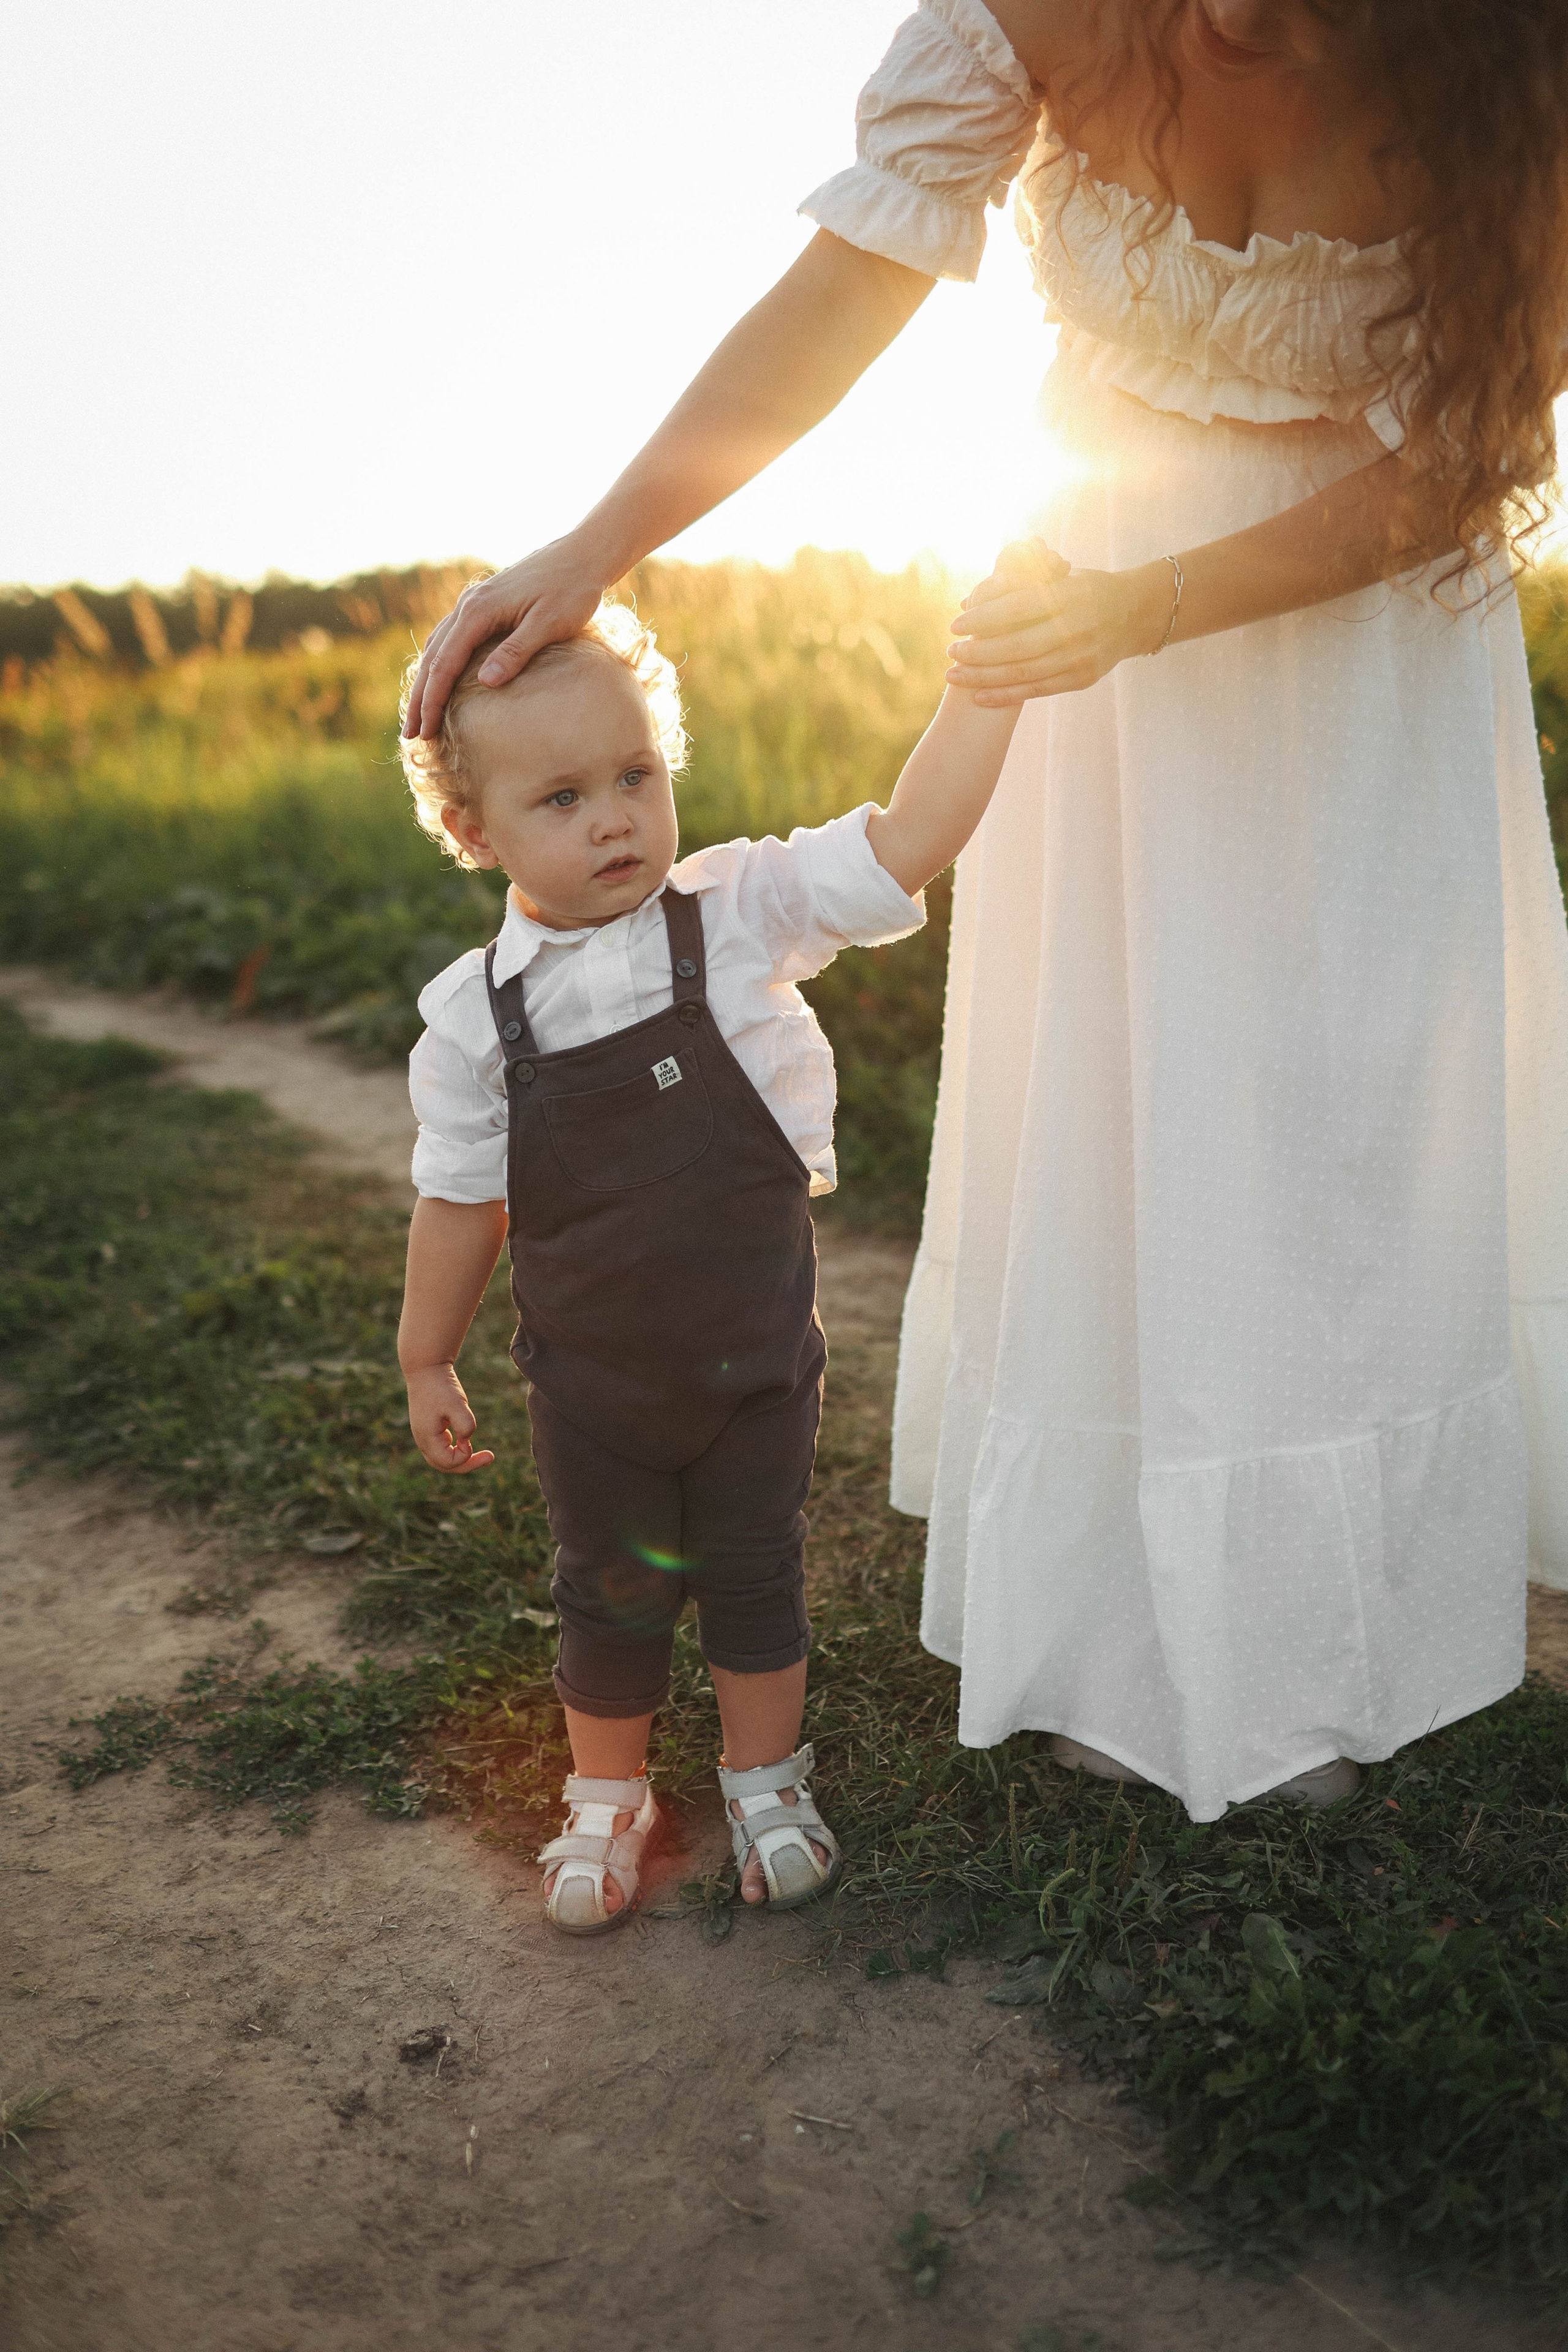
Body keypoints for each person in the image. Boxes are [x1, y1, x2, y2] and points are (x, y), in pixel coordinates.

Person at [403, 0, 1568, 1822]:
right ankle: (1124, 1618)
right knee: (1124, 1108)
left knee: (1329, 1125)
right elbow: (847, 291)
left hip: (1347, 642)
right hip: (1082, 627)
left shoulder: (1523, 65)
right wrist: (598, 543)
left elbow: (1467, 462)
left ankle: (1329, 1630)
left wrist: (1154, 607)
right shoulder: (1030, 12)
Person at [395, 597, 1020, 1930]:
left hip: (750, 1358)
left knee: (752, 1566)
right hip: (592, 1383)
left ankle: (765, 1779)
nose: (615, 818)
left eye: (635, 776)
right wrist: (424, 1350)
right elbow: (459, 1201)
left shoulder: (732, 915)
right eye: (561, 797)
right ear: (473, 830)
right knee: (606, 1591)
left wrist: (989, 687)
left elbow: (905, 841)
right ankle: (607, 1797)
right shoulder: (472, 1022)